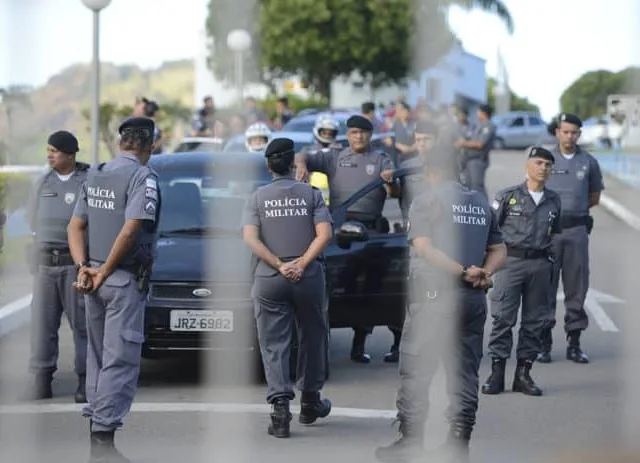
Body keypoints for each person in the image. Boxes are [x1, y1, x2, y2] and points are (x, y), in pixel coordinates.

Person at [375, 151, 506, 463]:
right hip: (473, 300)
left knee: (417, 369)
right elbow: (500, 248)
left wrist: (460, 271)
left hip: (436, 298)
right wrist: (484, 272)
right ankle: (459, 443)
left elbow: (423, 247)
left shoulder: (427, 201)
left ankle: (410, 442)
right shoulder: (479, 202)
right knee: (464, 372)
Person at [67, 116, 161, 461]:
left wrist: (84, 268)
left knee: (98, 356)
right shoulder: (142, 177)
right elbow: (132, 228)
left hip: (92, 278)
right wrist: (105, 270)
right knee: (120, 358)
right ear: (147, 145)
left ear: (122, 142)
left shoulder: (96, 173)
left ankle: (97, 429)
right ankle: (103, 440)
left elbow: (75, 226)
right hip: (119, 279)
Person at [242, 137, 333, 438]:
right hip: (308, 278)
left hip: (270, 279)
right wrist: (302, 263)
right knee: (313, 336)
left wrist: (280, 265)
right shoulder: (311, 194)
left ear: (268, 165)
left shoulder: (257, 197)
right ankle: (310, 402)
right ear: (293, 163)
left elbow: (251, 239)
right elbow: (324, 234)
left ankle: (280, 412)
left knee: (273, 344)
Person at [294, 115, 401, 364]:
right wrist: (301, 164)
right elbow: (304, 155)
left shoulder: (381, 158)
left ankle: (397, 344)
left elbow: (395, 192)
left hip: (373, 229)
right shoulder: (335, 156)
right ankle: (357, 344)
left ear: (370, 135)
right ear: (348, 134)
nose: (358, 137)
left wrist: (390, 182)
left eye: (363, 133)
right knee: (347, 285)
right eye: (353, 132)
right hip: (341, 228)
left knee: (382, 286)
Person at [481, 146, 562, 397]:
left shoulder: (554, 200)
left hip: (540, 264)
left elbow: (555, 234)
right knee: (503, 318)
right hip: (510, 262)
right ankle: (496, 374)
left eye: (548, 164)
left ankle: (523, 375)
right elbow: (491, 230)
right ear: (527, 166)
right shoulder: (508, 196)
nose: (543, 168)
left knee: (534, 322)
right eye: (538, 163)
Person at [25, 130, 89, 402]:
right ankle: (42, 380)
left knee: (83, 326)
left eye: (55, 150)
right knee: (42, 325)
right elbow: (31, 219)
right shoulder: (42, 183)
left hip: (74, 265)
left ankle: (85, 382)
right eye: (48, 150)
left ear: (70, 154)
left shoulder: (87, 181)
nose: (49, 155)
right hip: (45, 267)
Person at [538, 113, 604, 364]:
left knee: (577, 287)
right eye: (565, 131)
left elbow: (594, 197)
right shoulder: (544, 159)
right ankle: (544, 343)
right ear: (557, 132)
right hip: (549, 232)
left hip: (576, 231)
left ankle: (574, 343)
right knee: (546, 287)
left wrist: (573, 212)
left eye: (574, 132)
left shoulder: (588, 162)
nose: (570, 136)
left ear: (579, 134)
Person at [455, 104, 496, 199]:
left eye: (479, 111)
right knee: (468, 185)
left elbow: (480, 143)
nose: (477, 114)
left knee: (477, 186)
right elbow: (468, 136)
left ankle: (484, 207)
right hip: (468, 159)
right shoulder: (477, 125)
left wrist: (463, 143)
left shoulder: (489, 126)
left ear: (484, 113)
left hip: (478, 160)